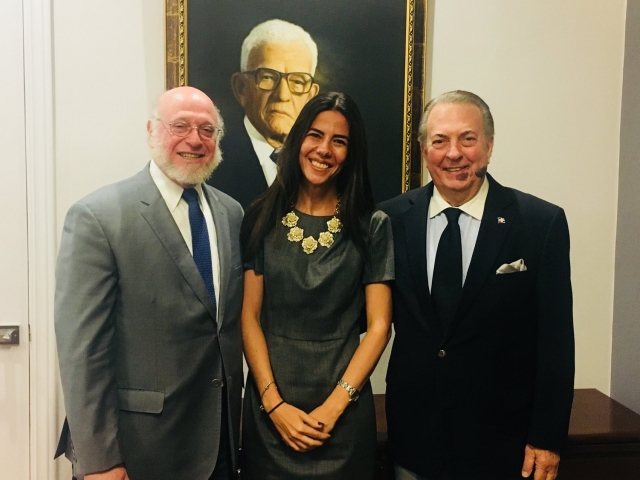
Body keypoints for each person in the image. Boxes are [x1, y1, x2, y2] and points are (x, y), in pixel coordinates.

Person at [379, 90, 575, 480]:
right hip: (415, 443)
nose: (454, 153)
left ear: (488, 145)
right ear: (424, 150)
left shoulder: (539, 223)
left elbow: (556, 341)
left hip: (504, 447)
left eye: (467, 139)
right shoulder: (389, 220)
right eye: (440, 141)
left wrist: (548, 438)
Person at [54, 86, 244, 480]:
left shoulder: (231, 214)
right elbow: (83, 351)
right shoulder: (98, 217)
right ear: (151, 130)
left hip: (220, 445)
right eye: (181, 126)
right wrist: (100, 461)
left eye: (207, 130)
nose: (195, 140)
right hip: (139, 450)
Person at [240, 91, 394, 479]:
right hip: (269, 411)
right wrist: (274, 405)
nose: (324, 149)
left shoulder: (372, 226)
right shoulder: (260, 216)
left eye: (339, 141)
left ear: (351, 153)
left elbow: (379, 327)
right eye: (315, 135)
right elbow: (249, 318)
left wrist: (334, 407)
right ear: (298, 141)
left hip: (343, 416)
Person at [208, 19, 320, 209]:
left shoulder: (324, 165)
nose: (282, 95)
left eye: (298, 82)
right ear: (241, 88)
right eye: (267, 77)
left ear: (310, 97)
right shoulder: (211, 165)